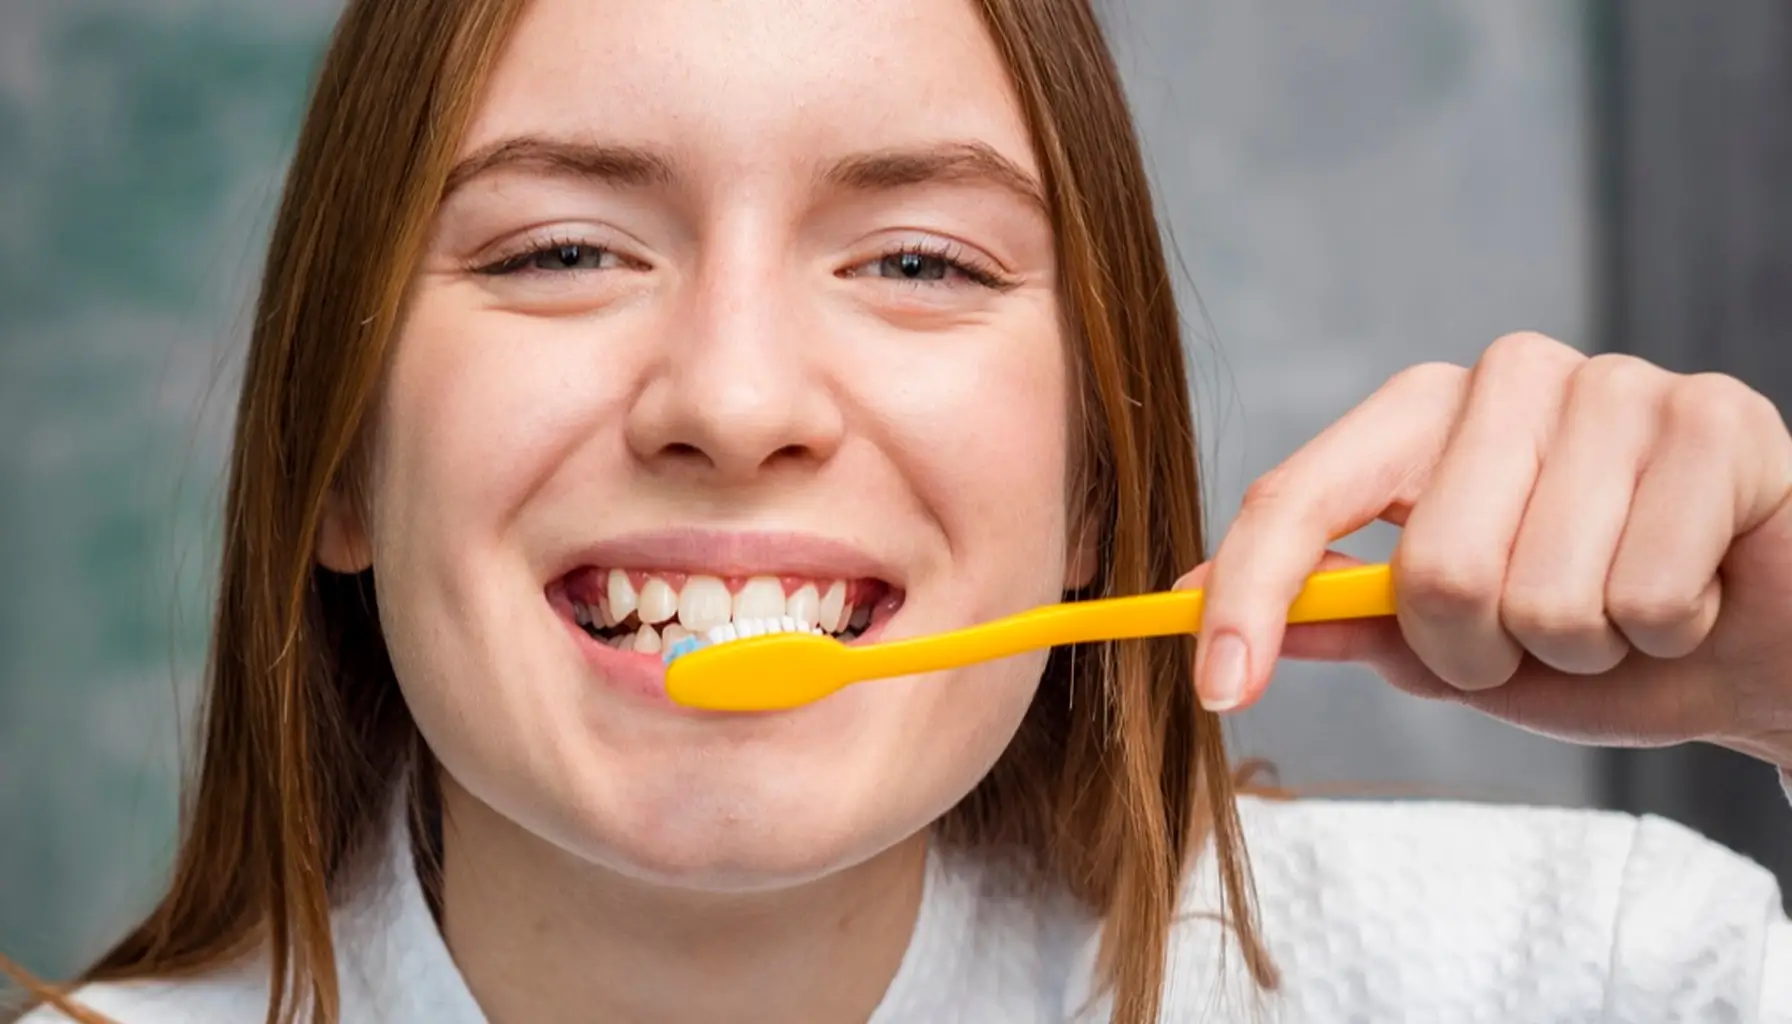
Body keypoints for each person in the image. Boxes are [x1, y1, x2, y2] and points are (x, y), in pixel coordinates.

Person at [8, 0, 1792, 1021]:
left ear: (1094, 482)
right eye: (562, 249)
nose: (735, 401)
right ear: (339, 459)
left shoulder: (1596, 978)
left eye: (922, 260)